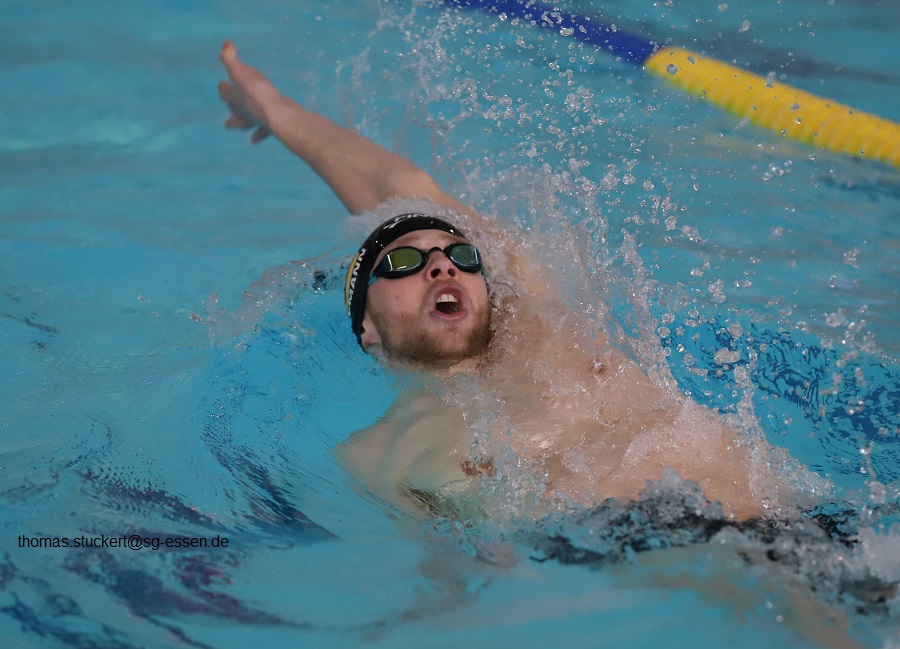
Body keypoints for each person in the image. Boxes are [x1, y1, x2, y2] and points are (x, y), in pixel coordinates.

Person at [219, 41, 781, 522]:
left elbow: (404, 184)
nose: (442, 266)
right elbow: (449, 586)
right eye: (403, 263)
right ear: (365, 326)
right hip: (641, 553)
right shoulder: (375, 457)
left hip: (785, 522)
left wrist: (273, 108)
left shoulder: (538, 331)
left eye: (459, 254)